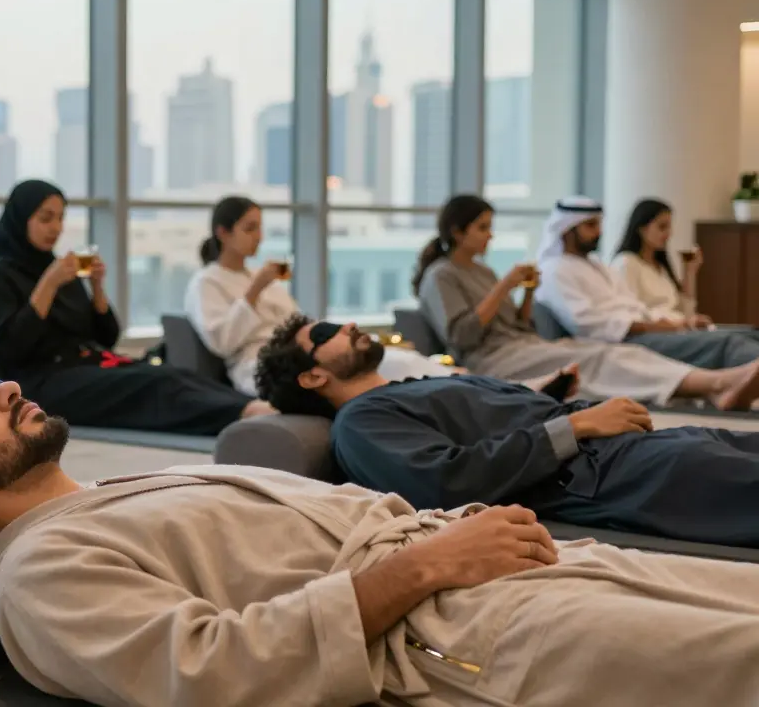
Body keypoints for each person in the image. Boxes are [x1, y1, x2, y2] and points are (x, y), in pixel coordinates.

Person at [0, 367, 759, 707]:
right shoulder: (42, 572)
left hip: (492, 564)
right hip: (454, 636)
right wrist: (425, 566)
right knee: (733, 660)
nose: (3, 388)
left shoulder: (127, 489)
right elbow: (208, 669)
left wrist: (450, 543)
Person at [254, 313, 759, 548]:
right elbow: (445, 482)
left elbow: (477, 426)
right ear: (312, 377)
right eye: (326, 334)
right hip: (604, 476)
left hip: (633, 448)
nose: (346, 325)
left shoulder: (408, 390)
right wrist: (574, 425)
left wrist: (544, 396)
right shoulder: (360, 423)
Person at [0, 180, 273, 436]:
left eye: (60, 218)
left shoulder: (60, 272)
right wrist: (48, 285)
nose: (56, 228)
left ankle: (253, 406)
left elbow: (106, 338)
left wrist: (97, 288)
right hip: (40, 383)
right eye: (45, 218)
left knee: (173, 373)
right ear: (21, 219)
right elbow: (13, 347)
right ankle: (244, 415)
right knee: (155, 383)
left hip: (86, 368)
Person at [415, 194, 759, 410]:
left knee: (618, 353)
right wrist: (505, 286)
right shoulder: (440, 276)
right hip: (493, 360)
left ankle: (714, 385)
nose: (490, 235)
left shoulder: (484, 272)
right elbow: (463, 336)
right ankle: (719, 383)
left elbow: (520, 326)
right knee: (596, 358)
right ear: (457, 232)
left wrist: (528, 292)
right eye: (482, 228)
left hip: (525, 346)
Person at [185, 196, 462, 395]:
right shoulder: (207, 282)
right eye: (250, 228)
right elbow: (222, 343)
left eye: (259, 227)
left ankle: (455, 381)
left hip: (304, 354)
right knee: (384, 369)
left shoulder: (261, 277)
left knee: (391, 359)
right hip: (261, 364)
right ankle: (449, 385)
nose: (259, 236)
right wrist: (254, 291)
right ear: (223, 233)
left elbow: (298, 323)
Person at [535, 196, 759, 369]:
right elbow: (590, 323)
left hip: (648, 331)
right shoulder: (554, 270)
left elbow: (635, 307)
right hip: (621, 341)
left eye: (599, 224)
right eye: (591, 226)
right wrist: (668, 326)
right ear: (567, 229)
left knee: (748, 334)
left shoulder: (596, 266)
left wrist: (679, 322)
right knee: (727, 342)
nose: (599, 232)